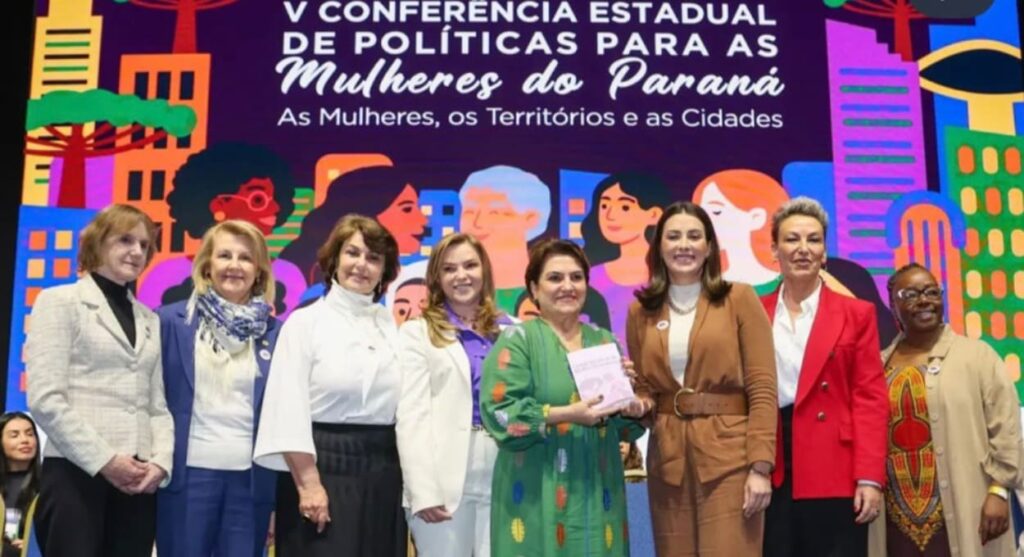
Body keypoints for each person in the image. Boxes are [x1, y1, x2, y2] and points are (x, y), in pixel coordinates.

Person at [625, 201, 777, 555]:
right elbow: (646, 390)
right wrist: (635, 403)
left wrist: (760, 467)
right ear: (659, 247)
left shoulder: (739, 298)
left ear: (709, 247)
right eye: (673, 236)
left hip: (732, 462)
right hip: (668, 464)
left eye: (694, 236)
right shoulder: (639, 311)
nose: (684, 245)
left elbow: (762, 388)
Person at [479, 239, 647, 556]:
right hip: (535, 491)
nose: (567, 286)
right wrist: (566, 414)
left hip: (599, 491)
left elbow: (625, 428)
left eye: (576, 277)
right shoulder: (518, 341)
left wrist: (631, 404)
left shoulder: (604, 341)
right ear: (534, 288)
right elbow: (501, 415)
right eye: (555, 278)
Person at [253, 214, 406, 556]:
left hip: (384, 473)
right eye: (352, 253)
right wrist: (309, 485)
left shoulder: (391, 327)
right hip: (322, 468)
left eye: (373, 257)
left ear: (385, 270)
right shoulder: (305, 323)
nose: (361, 265)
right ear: (334, 259)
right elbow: (286, 408)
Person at [26, 204, 174, 557]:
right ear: (97, 242)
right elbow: (46, 400)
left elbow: (157, 406)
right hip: (76, 474)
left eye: (144, 245)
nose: (137, 251)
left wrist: (160, 463)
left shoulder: (150, 319)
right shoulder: (59, 301)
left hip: (137, 483)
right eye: (125, 240)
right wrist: (106, 460)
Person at [761, 197, 889, 557]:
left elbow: (870, 399)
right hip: (773, 461)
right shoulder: (753, 311)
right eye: (792, 239)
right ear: (774, 250)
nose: (803, 249)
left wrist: (869, 477)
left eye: (813, 239)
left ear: (824, 252)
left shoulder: (856, 313)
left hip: (835, 463)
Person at [868, 263, 1021, 557]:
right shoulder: (877, 366)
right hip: (895, 520)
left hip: (970, 510)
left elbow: (1007, 429)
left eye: (931, 292)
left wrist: (999, 490)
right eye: (910, 294)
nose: (924, 300)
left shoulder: (977, 356)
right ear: (892, 305)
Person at [155, 220, 282, 557]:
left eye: (246, 258)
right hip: (184, 480)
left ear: (259, 271)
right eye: (224, 255)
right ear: (206, 265)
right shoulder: (168, 322)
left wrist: (275, 501)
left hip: (250, 486)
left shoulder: (278, 333)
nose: (234, 265)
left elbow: (282, 417)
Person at [395, 232, 514, 557]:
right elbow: (411, 415)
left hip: (506, 472)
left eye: (470, 265)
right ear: (436, 278)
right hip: (442, 478)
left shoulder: (514, 330)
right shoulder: (416, 333)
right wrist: (423, 490)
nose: (461, 275)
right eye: (449, 269)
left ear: (484, 270)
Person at [580, 171, 671, 346]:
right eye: (604, 206)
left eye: (625, 207)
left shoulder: (672, 275)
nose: (610, 215)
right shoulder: (590, 277)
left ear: (654, 214)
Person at [459, 165, 552, 313]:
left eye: (494, 212)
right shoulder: (450, 294)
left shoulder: (549, 293)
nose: (477, 223)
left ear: (531, 219)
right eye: (469, 212)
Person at [0, 412, 40, 557]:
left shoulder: (48, 484)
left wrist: (32, 545)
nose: (25, 440)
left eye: (30, 434)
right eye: (14, 435)